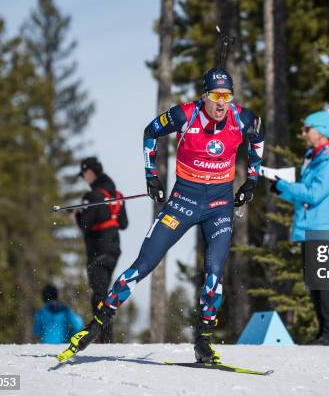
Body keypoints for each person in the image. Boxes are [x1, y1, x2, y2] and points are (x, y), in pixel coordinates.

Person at [58, 67, 264, 363]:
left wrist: (252, 181)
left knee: (214, 273)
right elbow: (150, 133)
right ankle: (98, 322)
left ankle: (203, 340)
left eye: (227, 96)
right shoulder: (185, 115)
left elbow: (258, 139)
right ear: (204, 96)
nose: (222, 103)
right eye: (216, 96)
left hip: (219, 206)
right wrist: (151, 177)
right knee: (144, 264)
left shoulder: (242, 118)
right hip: (183, 203)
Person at [271, 110, 329, 345]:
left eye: (307, 129)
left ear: (321, 130)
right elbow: (304, 196)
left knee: (322, 281)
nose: (303, 134)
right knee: (314, 281)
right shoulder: (314, 158)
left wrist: (285, 185)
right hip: (309, 226)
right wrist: (281, 189)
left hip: (320, 227)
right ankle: (325, 332)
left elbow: (313, 194)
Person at [73, 157, 129, 343]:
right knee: (104, 293)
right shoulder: (117, 195)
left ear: (90, 172)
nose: (84, 178)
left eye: (84, 175)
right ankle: (105, 336)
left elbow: (84, 224)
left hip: (98, 251)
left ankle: (102, 337)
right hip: (114, 250)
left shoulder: (92, 197)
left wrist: (76, 215)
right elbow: (123, 224)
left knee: (99, 294)